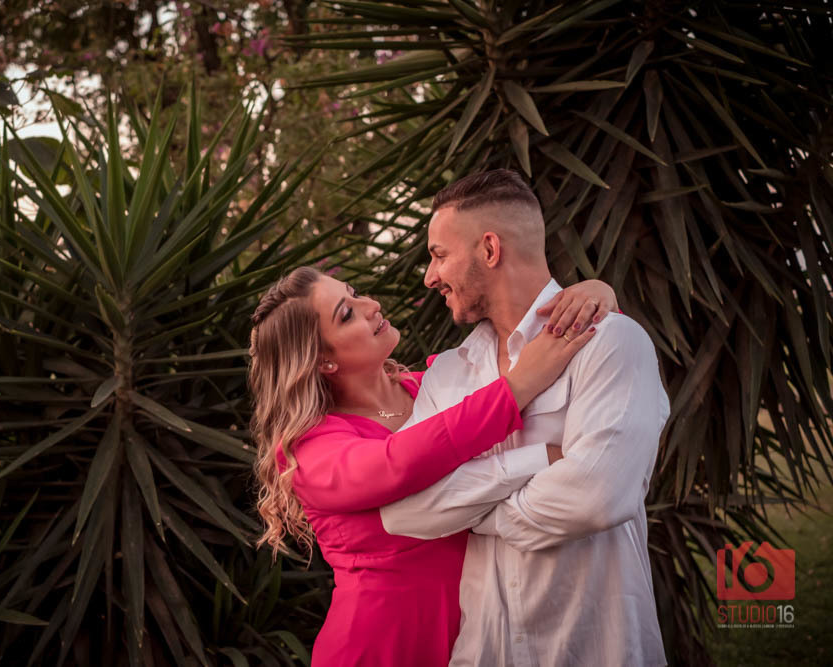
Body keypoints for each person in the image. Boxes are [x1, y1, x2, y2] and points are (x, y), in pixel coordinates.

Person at [248, 265, 618, 666]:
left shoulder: (434, 386)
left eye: (355, 293)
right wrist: (519, 396)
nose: (371, 305)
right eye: (347, 314)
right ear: (324, 361)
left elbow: (533, 360)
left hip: (479, 637)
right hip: (380, 649)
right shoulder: (309, 452)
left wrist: (594, 295)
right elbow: (398, 462)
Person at [380, 169, 670, 666]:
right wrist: (541, 462)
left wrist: (474, 515)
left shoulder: (611, 344)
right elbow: (403, 509)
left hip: (596, 649)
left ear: (490, 249)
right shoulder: (448, 373)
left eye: (439, 255)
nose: (429, 276)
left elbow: (595, 498)